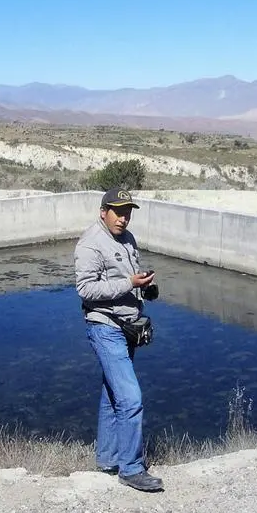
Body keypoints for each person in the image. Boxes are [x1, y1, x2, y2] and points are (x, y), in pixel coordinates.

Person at [74, 187, 163, 492]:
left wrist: (144, 288)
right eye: (118, 211)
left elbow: (131, 276)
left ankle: (109, 459)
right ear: (103, 212)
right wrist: (128, 283)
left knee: (113, 395)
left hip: (127, 328)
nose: (123, 218)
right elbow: (85, 289)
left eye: (127, 212)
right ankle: (132, 468)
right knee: (131, 398)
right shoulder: (91, 243)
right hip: (105, 327)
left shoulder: (128, 239)